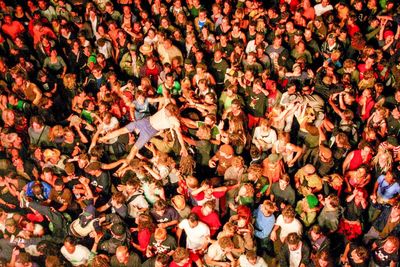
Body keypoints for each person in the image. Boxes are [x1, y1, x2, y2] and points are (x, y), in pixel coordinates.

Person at [99, 103, 188, 164]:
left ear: (172, 113)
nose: (165, 113)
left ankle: (124, 165)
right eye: (165, 111)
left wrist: (183, 147)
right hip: (146, 121)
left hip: (150, 131)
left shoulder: (175, 121)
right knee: (122, 130)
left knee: (134, 149)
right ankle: (102, 139)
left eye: (167, 113)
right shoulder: (166, 107)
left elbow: (179, 135)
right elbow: (165, 97)